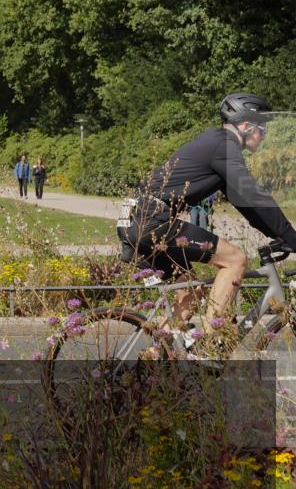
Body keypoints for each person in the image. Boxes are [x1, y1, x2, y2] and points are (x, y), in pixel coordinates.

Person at [117, 93, 296, 352]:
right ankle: (210, 346)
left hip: (136, 220)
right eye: (262, 127)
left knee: (191, 293)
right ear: (245, 126)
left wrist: (280, 235)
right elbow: (253, 193)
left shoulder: (217, 145)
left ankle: (156, 358)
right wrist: (290, 235)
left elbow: (247, 203)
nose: (265, 134)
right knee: (235, 260)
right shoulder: (223, 145)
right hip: (152, 222)